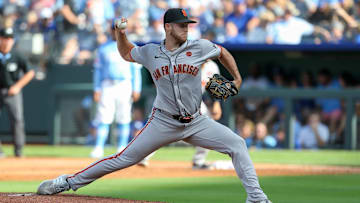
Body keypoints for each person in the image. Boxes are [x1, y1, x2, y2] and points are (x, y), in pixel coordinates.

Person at [37, 8, 271, 203]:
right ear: (168, 27)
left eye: (187, 24)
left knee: (237, 144)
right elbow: (127, 53)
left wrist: (237, 78)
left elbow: (222, 52)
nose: (186, 28)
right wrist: (120, 33)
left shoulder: (198, 47)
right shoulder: (151, 52)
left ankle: (256, 198)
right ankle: (68, 182)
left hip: (196, 121)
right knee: (123, 158)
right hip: (163, 121)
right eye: (181, 25)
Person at [89, 22, 142, 158]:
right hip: (108, 84)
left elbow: (136, 71)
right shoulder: (103, 49)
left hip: (125, 84)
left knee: (123, 116)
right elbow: (98, 71)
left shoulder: (132, 47)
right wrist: (97, 88)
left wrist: (136, 88)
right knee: (104, 116)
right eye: (114, 29)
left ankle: (122, 147)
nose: (116, 32)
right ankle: (99, 147)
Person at [0, 27, 35, 157]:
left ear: (13, 41)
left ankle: (19, 151)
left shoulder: (17, 55)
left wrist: (18, 86)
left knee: (17, 120)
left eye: (10, 39)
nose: (7, 41)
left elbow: (30, 72)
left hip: (12, 91)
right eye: (4, 38)